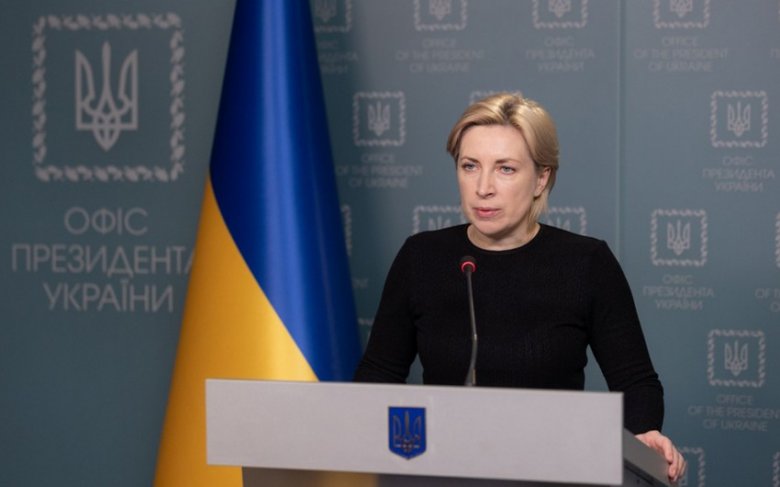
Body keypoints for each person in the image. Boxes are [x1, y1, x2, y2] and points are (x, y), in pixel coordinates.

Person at [353, 92, 686, 482]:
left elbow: (636, 382)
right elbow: (378, 375)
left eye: (505, 169)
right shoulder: (422, 256)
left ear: (541, 178)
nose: (483, 187)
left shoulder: (586, 262)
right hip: (441, 470)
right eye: (470, 166)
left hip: (555, 471)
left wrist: (643, 434)